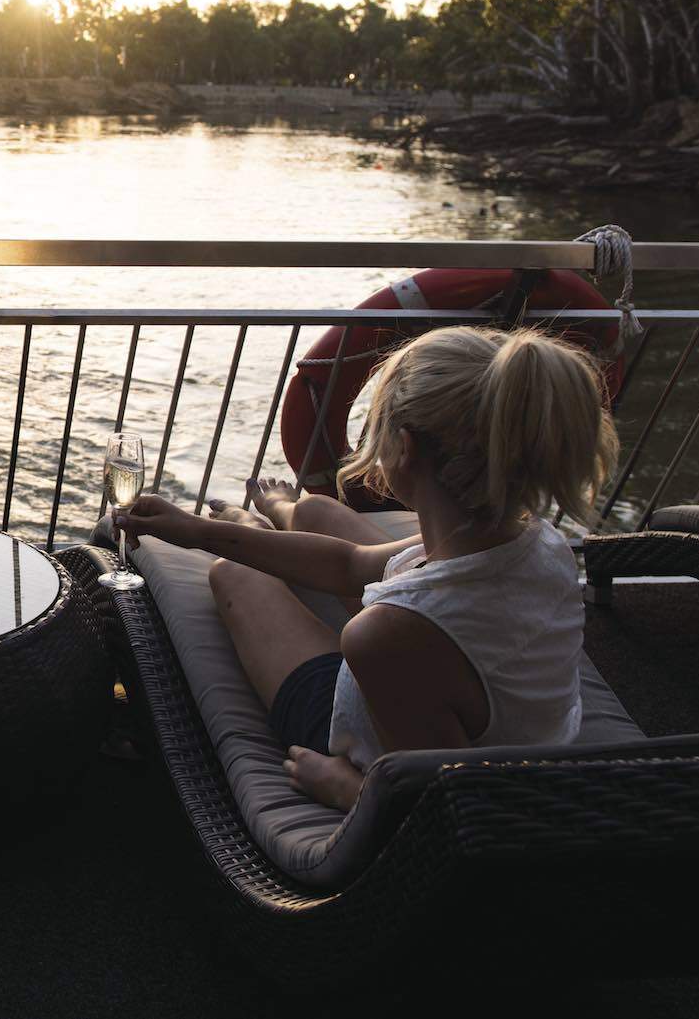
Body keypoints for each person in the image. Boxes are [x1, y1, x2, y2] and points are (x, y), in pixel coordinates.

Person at [116, 326, 618, 812]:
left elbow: (446, 806)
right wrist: (198, 531)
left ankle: (255, 521)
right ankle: (280, 513)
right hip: (508, 718)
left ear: (405, 446)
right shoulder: (537, 541)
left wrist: (349, 788)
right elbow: (351, 566)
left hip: (359, 734)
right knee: (314, 512)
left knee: (234, 574)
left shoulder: (383, 635)